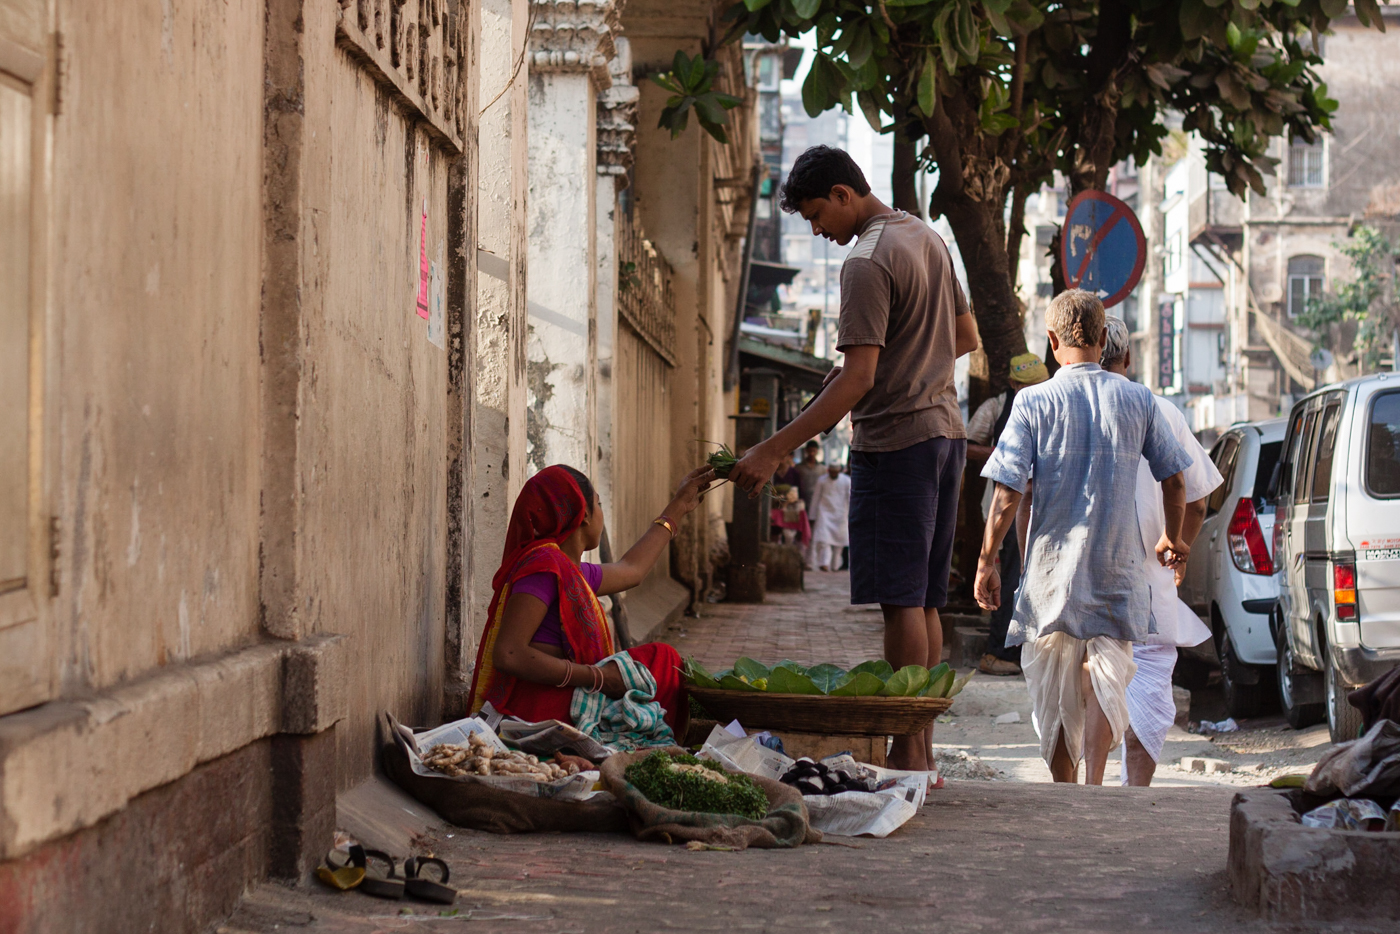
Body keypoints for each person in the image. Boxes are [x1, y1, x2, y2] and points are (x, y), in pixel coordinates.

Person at [726, 145, 979, 770]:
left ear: (844, 194)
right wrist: (919, 365)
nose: (818, 231)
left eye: (817, 215)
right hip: (945, 435)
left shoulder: (866, 261)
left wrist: (770, 448)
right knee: (925, 601)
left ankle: (907, 754)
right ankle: (922, 751)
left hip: (897, 443)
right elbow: (966, 337)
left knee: (901, 600)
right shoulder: (928, 238)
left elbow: (857, 378)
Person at [975, 289, 1194, 785]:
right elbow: (1176, 480)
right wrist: (1172, 539)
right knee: (1107, 678)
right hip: (1118, 569)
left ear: (1053, 341)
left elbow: (1008, 490)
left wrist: (987, 560)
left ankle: (1063, 787)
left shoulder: (1032, 400)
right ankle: (1094, 784)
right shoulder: (1139, 399)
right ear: (1103, 339)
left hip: (1052, 573)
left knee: (1054, 687)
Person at [467, 464, 713, 747]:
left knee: (663, 660)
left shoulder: (572, 572)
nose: (601, 512)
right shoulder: (544, 567)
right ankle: (651, 747)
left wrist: (678, 507)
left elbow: (632, 570)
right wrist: (597, 677)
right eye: (598, 503)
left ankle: (656, 743)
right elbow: (509, 654)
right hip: (535, 710)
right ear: (584, 514)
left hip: (569, 697)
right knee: (659, 666)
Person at [1099, 316, 1220, 786]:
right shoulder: (1162, 410)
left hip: (1086, 582)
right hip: (1151, 584)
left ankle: (1081, 795)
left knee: (1092, 687)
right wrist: (1179, 544)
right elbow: (1195, 493)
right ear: (1128, 357)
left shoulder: (1063, 405)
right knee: (1147, 689)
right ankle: (1134, 795)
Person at [965, 352, 1049, 676]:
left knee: (1029, 572)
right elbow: (966, 446)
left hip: (1040, 500)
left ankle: (1024, 649)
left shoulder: (1051, 402)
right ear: (1013, 383)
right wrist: (1005, 452)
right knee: (1011, 574)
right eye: (1027, 386)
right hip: (1008, 501)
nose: (1034, 390)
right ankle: (998, 651)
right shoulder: (996, 408)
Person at [809, 462, 851, 571]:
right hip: (824, 513)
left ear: (839, 471)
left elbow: (850, 498)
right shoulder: (822, 480)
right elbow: (816, 498)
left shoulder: (846, 481)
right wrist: (812, 515)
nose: (833, 474)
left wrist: (851, 514)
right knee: (824, 540)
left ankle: (835, 565)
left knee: (839, 542)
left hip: (841, 514)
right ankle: (824, 563)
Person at [794, 441, 825, 514]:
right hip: (802, 499)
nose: (812, 453)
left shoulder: (822, 469)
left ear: (817, 451)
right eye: (810, 451)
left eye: (814, 451)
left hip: (818, 500)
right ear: (806, 451)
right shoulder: (799, 467)